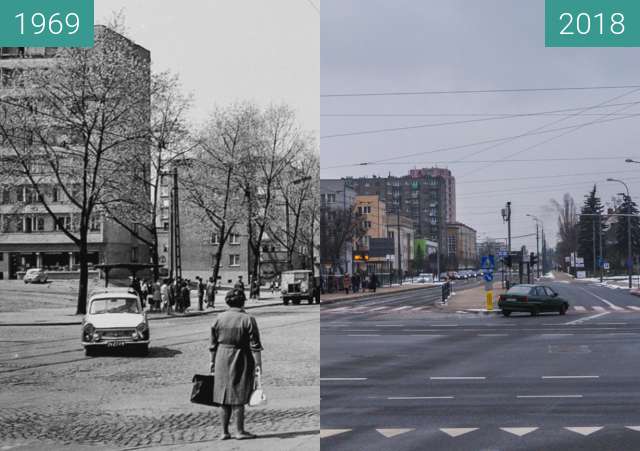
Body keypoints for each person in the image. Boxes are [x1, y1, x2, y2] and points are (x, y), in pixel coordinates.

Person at [210, 288, 263, 440]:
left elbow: (212, 344)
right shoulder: (247, 319)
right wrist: (258, 365)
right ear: (243, 301)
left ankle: (224, 432)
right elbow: (255, 345)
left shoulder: (218, 318)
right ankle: (239, 431)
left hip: (221, 357)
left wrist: (212, 361)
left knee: (223, 395)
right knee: (238, 392)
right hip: (241, 356)